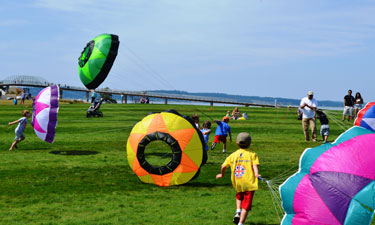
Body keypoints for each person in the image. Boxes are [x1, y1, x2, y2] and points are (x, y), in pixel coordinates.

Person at [216, 132, 260, 225]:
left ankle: (238, 211)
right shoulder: (253, 154)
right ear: (250, 143)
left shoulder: (233, 155)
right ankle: (241, 223)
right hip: (249, 183)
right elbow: (255, 166)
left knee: (239, 196)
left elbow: (223, 166)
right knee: (246, 206)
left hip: (238, 181)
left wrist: (222, 174)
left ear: (237, 143)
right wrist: (256, 174)